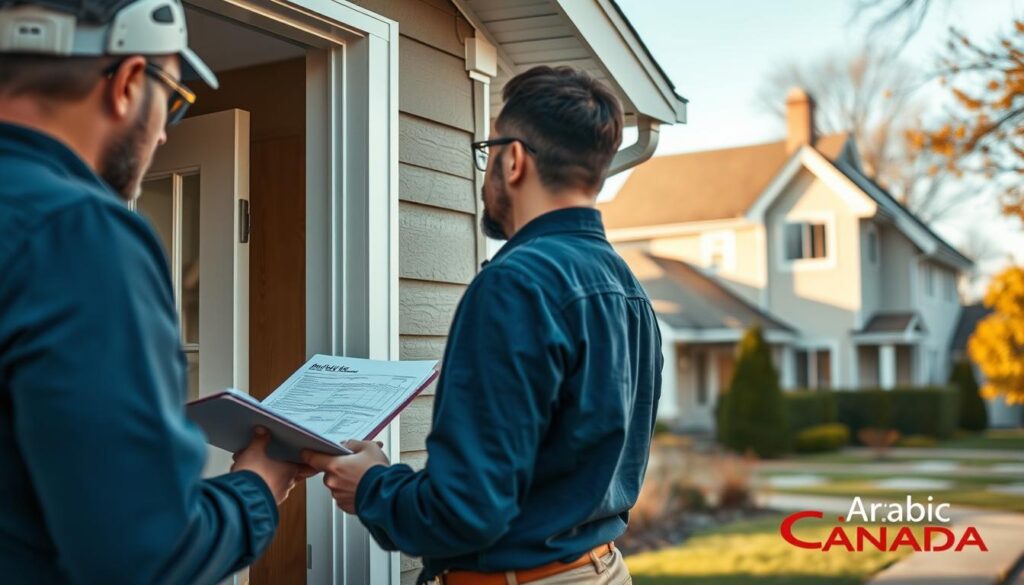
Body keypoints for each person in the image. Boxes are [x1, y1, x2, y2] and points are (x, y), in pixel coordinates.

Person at [304, 66, 663, 585]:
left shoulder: (514, 284)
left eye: (488, 152)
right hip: (602, 570)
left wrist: (372, 485)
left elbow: (466, 511)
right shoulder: (628, 289)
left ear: (513, 159)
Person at [0, 0, 303, 583]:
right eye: (172, 97)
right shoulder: (79, 231)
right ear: (129, 81)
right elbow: (147, 554)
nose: (164, 132)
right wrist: (259, 486)